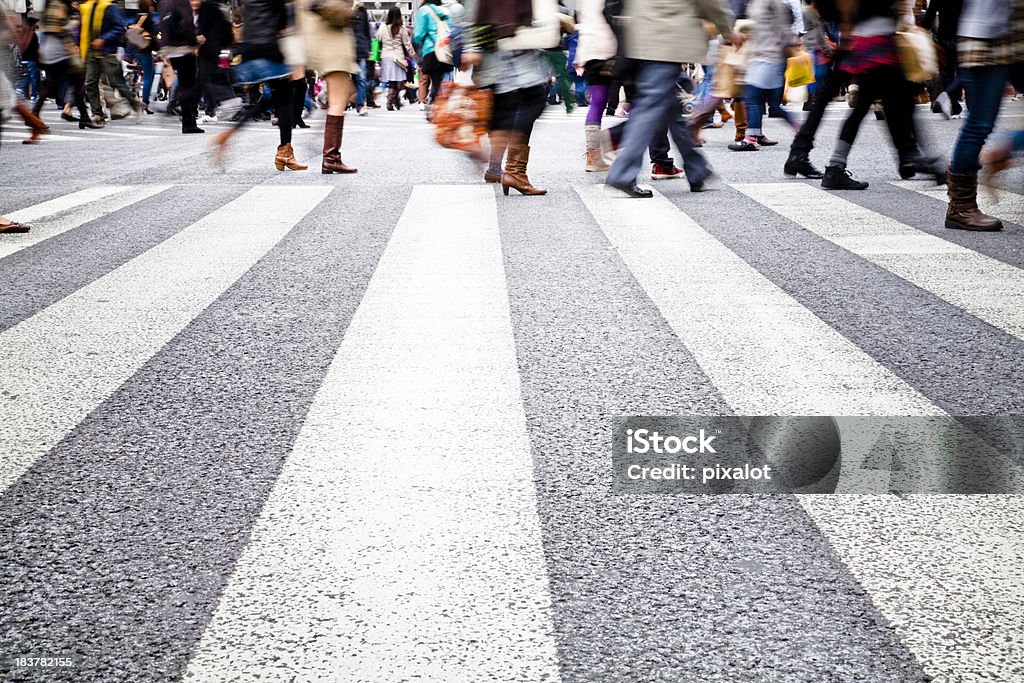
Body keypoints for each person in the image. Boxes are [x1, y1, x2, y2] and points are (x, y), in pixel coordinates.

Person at [605, 0, 744, 197]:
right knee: (650, 108)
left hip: (642, 37)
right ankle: (623, 173)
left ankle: (697, 169)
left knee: (672, 110)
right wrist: (728, 29)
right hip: (667, 40)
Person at [819, 0, 945, 190]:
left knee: (872, 106)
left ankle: (837, 166)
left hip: (871, 43)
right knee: (901, 103)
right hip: (879, 46)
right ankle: (911, 155)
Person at [464, 0, 559, 196]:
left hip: (509, 37)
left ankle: (496, 164)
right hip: (514, 37)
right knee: (533, 100)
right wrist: (473, 46)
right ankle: (512, 170)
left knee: (510, 103)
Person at [944, 0, 1024, 230]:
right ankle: (961, 207)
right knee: (979, 123)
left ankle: (1001, 153)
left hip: (1015, 38)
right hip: (987, 40)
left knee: (980, 122)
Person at [211, 0, 305, 171]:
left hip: (251, 49)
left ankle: (230, 133)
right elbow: (282, 23)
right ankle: (285, 152)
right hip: (270, 49)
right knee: (284, 100)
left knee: (273, 97)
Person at [727, 0, 800, 151]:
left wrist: (792, 46)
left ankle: (752, 138)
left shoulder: (772, 4)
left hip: (770, 56)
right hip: (762, 56)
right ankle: (756, 134)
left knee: (754, 98)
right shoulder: (758, 3)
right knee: (764, 102)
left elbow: (784, 28)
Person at [299, 0, 359, 173]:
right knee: (338, 102)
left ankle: (330, 156)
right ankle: (331, 158)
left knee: (338, 99)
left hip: (315, 42)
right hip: (332, 43)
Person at [33, 0, 97, 129]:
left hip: (53, 52)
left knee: (57, 83)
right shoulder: (56, 5)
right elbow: (57, 29)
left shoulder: (53, 4)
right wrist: (72, 24)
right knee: (76, 83)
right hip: (59, 52)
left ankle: (35, 114)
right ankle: (84, 117)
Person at [79, 0, 144, 126]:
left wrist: (103, 39)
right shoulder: (87, 7)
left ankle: (136, 104)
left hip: (108, 51)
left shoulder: (110, 7)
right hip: (91, 51)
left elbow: (119, 28)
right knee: (91, 82)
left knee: (116, 82)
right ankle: (97, 113)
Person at [574, 0, 616, 172]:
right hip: (613, 50)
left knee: (597, 103)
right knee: (636, 100)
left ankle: (593, 155)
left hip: (590, 51)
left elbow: (578, 19)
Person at [159, 0, 204, 133]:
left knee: (184, 84)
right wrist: (194, 40)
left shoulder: (164, 3)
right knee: (190, 85)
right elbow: (186, 24)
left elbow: (162, 25)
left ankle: (186, 120)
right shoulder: (182, 2)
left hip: (171, 49)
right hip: (184, 48)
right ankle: (189, 122)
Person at [195, 0, 234, 124]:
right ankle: (231, 107)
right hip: (219, 48)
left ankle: (210, 111)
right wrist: (227, 44)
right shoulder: (221, 8)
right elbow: (228, 28)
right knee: (221, 77)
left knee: (205, 79)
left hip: (207, 49)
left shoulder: (205, 8)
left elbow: (201, 28)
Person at [413, 0, 452, 114]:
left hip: (431, 50)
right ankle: (438, 104)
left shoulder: (424, 10)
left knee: (435, 80)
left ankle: (434, 105)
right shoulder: (445, 10)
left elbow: (418, 35)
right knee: (441, 79)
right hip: (445, 49)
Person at [377, 6, 413, 111]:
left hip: (385, 56)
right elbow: (407, 44)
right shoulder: (401, 29)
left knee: (392, 80)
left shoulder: (383, 27)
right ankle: (390, 100)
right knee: (398, 80)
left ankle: (394, 101)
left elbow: (377, 38)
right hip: (398, 57)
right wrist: (414, 56)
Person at [127, 0, 157, 113]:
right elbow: (152, 34)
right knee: (149, 76)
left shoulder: (137, 18)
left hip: (136, 49)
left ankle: (140, 97)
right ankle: (145, 102)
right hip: (144, 50)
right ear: (148, 6)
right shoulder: (148, 18)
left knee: (149, 72)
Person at [351, 1, 371, 115]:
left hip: (359, 49)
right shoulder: (346, 9)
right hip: (352, 48)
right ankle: (359, 105)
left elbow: (366, 31)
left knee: (360, 79)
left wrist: (368, 48)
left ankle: (360, 105)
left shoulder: (362, 11)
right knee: (359, 79)